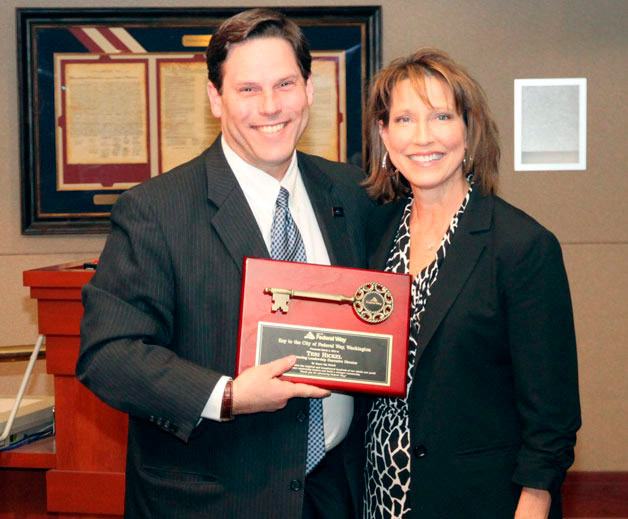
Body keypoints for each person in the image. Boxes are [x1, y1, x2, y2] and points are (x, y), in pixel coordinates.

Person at [76, 9, 370, 518]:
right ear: (215, 98)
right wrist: (227, 395)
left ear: (309, 89)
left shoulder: (352, 192)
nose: (272, 106)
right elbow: (109, 354)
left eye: (284, 84)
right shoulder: (156, 210)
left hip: (336, 493)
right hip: (213, 500)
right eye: (248, 89)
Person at [344, 48, 581, 518]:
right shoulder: (372, 235)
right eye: (404, 119)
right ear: (384, 135)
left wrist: (533, 503)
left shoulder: (521, 246)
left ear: (469, 130)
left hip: (480, 501)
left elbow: (551, 412)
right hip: (376, 497)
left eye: (441, 116)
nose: (423, 137)